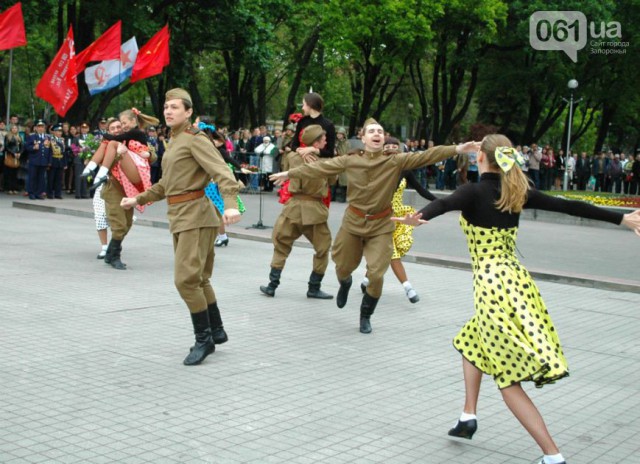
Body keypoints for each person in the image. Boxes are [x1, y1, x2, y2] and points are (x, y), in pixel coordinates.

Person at [391, 134, 640, 464]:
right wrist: (621, 218)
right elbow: (569, 206)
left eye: (477, 152)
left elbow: (442, 205)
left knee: (507, 379)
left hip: (493, 288)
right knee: (471, 341)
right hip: (516, 281)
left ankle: (552, 455)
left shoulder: (473, 190)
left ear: (481, 159)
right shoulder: (517, 190)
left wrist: (418, 217)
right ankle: (468, 415)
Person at [270, 117, 476, 334]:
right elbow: (320, 168)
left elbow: (426, 155)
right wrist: (288, 173)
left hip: (381, 225)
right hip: (353, 223)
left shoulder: (395, 161)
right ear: (363, 138)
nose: (377, 134)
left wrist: (459, 148)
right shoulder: (350, 160)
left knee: (377, 274)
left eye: (380, 131)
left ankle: (365, 315)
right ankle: (345, 282)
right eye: (372, 132)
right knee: (342, 266)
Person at [121, 88, 241, 366]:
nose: (168, 111)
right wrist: (138, 198)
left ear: (188, 113)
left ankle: (204, 339)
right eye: (166, 107)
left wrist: (231, 203)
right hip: (182, 214)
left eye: (175, 107)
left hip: (195, 215)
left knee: (185, 281)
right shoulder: (173, 141)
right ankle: (217, 330)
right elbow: (166, 185)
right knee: (199, 279)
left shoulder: (194, 139)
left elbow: (221, 170)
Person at [260, 124, 334, 300]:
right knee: (322, 249)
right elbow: (332, 179)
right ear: (315, 142)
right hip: (314, 211)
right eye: (323, 138)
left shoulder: (292, 157)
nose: (326, 141)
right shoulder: (325, 162)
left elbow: (289, 156)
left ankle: (272, 285)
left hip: (292, 208)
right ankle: (314, 288)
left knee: (281, 244)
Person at [360, 137, 437, 303]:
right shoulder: (375, 168)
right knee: (391, 252)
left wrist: (440, 202)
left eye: (395, 147)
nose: (392, 149)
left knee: (394, 249)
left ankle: (367, 279)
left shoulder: (404, 169)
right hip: (381, 216)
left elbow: (420, 189)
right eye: (388, 146)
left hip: (399, 215)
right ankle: (408, 288)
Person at [195, 117, 249, 248]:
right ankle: (216, 236)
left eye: (196, 122)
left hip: (214, 185)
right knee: (208, 212)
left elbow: (228, 160)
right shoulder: (198, 142)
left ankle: (221, 236)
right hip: (205, 184)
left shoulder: (219, 150)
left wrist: (241, 168)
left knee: (216, 211)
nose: (194, 124)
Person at [82, 108, 158, 190]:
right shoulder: (127, 135)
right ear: (108, 130)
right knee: (107, 143)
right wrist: (88, 158)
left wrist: (148, 154)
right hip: (117, 183)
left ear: (133, 121)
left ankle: (99, 174)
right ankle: (89, 169)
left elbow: (153, 155)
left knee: (112, 143)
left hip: (138, 170)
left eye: (121, 125)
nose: (122, 126)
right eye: (122, 124)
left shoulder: (135, 133)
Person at [93, 118, 122, 259]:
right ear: (108, 131)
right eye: (113, 128)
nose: (116, 130)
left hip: (120, 188)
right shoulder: (103, 145)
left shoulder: (128, 143)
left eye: (118, 127)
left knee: (117, 220)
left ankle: (114, 245)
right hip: (103, 184)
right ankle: (104, 247)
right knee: (100, 215)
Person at [291, 92, 336, 160]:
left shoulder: (328, 125)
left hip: (319, 164)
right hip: (300, 160)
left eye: (304, 105)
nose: (302, 108)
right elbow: (294, 145)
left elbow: (330, 152)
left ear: (310, 105)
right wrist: (303, 152)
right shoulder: (302, 122)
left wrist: (313, 150)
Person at [25, 119, 52, 200]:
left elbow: (50, 150)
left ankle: (38, 193)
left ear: (45, 128)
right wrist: (33, 147)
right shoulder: (32, 136)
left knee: (41, 178)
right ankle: (31, 193)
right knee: (32, 177)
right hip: (34, 160)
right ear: (35, 128)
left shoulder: (48, 137)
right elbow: (27, 147)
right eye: (39, 127)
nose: (40, 128)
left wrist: (49, 161)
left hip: (43, 160)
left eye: (42, 127)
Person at [47, 125, 66, 199]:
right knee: (51, 178)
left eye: (60, 131)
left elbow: (64, 153)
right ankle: (50, 193)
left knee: (59, 179)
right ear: (54, 132)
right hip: (53, 160)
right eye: (58, 131)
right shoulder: (51, 140)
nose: (59, 133)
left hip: (60, 161)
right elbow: (49, 152)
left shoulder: (62, 140)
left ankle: (58, 193)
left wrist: (65, 163)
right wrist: (49, 162)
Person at [3, 124, 23, 194]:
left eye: (15, 128)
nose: (14, 129)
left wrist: (20, 153)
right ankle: (9, 188)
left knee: (15, 173)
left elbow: (21, 146)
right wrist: (13, 153)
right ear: (11, 129)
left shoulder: (19, 137)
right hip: (10, 155)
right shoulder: (7, 136)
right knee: (9, 173)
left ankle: (14, 188)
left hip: (17, 156)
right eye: (13, 128)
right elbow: (6, 147)